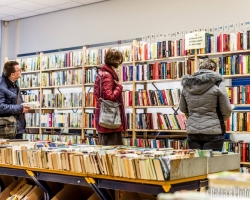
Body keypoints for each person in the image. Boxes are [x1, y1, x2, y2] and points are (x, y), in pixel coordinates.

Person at [179, 59, 232, 151]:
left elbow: (183, 108)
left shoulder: (187, 85)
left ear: (199, 69)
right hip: (213, 132)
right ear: (214, 69)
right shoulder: (218, 84)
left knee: (196, 163)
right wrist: (217, 120)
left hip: (193, 132)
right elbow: (227, 109)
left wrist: (192, 117)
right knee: (211, 164)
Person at [94, 49, 127, 145]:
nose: (119, 63)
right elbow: (110, 97)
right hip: (110, 120)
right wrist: (119, 87)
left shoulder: (102, 73)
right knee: (113, 151)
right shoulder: (107, 75)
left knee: (108, 150)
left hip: (105, 118)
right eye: (119, 60)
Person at [0, 61, 29, 139]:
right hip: (7, 128)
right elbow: (1, 107)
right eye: (19, 70)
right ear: (12, 74)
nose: (21, 71)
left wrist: (24, 105)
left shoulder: (14, 82)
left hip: (18, 127)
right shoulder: (1, 86)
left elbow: (15, 101)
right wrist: (20, 108)